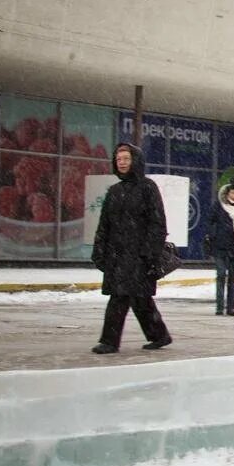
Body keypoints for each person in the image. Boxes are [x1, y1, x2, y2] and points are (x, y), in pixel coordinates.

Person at [89, 143, 173, 354]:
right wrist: (99, 249)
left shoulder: (147, 187)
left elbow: (157, 223)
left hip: (139, 255)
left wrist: (150, 252)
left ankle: (109, 341)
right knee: (139, 298)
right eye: (119, 160)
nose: (123, 163)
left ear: (136, 160)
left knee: (120, 297)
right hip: (117, 255)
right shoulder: (114, 191)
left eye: (126, 159)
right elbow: (104, 224)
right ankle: (159, 335)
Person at [203, 182, 234, 316]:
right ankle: (219, 307)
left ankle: (230, 308)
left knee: (232, 278)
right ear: (228, 193)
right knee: (220, 274)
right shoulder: (219, 206)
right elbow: (209, 221)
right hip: (220, 245)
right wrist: (212, 234)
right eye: (233, 193)